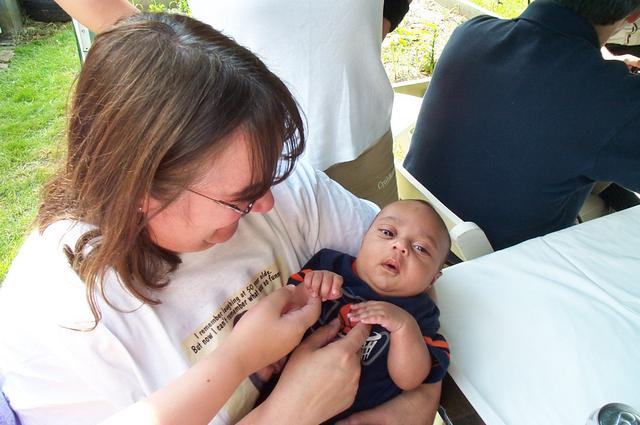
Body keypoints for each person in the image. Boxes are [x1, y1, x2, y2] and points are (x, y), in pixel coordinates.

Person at [0, 13, 441, 425]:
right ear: (141, 191)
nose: (267, 203)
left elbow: (416, 274)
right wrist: (285, 414)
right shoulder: (64, 322)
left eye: (270, 174)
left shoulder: (279, 184)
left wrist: (404, 409)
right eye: (239, 199)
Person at [54, 0, 412, 208]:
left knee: (380, 287)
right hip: (235, 153)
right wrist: (162, 48)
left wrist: (383, 17)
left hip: (360, 138)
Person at [403, 0, 640, 251]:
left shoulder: (471, 33)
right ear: (633, 15)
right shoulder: (615, 99)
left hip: (421, 231)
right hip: (511, 257)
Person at [284, 199, 451, 423]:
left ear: (432, 279)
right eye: (388, 232)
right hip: (289, 402)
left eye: (420, 248)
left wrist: (404, 327)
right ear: (363, 238)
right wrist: (313, 286)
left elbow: (410, 380)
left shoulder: (421, 313)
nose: (400, 246)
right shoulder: (330, 264)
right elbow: (286, 307)